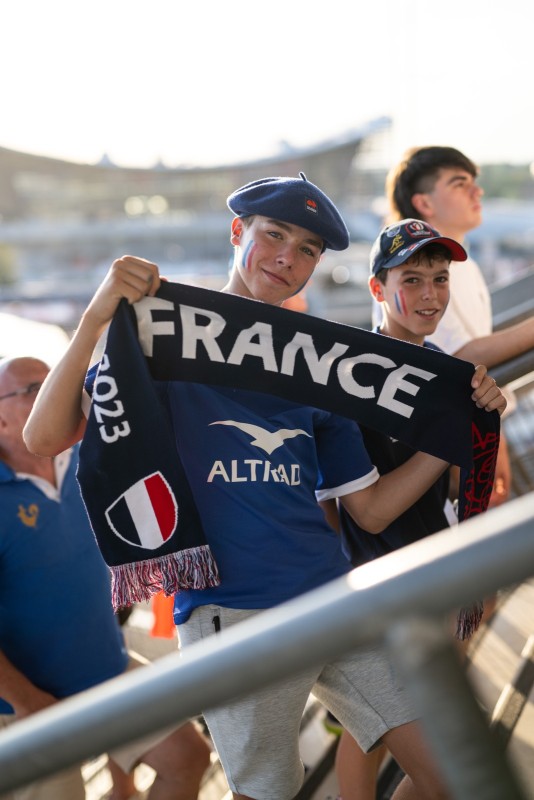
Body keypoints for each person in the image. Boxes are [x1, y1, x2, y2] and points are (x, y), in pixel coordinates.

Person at [23, 174, 506, 800]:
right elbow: (43, 437)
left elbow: (371, 510)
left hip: (336, 603)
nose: (287, 257)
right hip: (235, 614)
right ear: (236, 233)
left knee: (455, 774)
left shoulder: (317, 366)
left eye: (307, 249)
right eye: (273, 235)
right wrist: (95, 316)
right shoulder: (163, 340)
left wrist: (457, 432)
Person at [0, 356, 211, 800]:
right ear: (0, 417)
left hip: (105, 672)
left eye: (59, 379)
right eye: (34, 388)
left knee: (188, 756)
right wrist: (27, 703)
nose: (56, 393)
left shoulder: (88, 458)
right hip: (22, 705)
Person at [327, 218, 473, 800]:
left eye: (440, 279)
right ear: (377, 289)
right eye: (412, 280)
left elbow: (456, 482)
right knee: (373, 734)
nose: (431, 295)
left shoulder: (439, 367)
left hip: (432, 576)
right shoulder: (349, 377)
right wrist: (453, 433)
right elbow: (369, 513)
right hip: (377, 590)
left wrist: (475, 428)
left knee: (420, 745)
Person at [383, 145, 534, 508]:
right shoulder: (414, 273)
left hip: (476, 426)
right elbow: (460, 359)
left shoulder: (461, 264)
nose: (476, 191)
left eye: (440, 279)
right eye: (459, 183)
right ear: (425, 203)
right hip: (447, 446)